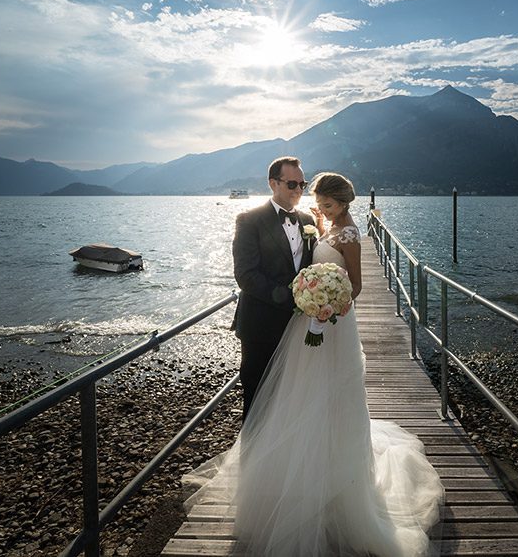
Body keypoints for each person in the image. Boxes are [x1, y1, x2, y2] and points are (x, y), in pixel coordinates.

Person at [185, 171, 444, 556]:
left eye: (325, 203)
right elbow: (268, 269)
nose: (317, 207)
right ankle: (294, 471)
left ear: (341, 204)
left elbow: (354, 285)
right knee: (299, 392)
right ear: (275, 183)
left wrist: (328, 305)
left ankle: (336, 482)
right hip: (307, 321)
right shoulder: (312, 223)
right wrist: (309, 298)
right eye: (313, 200)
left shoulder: (351, 234)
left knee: (334, 392)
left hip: (333, 323)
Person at [231, 156, 316, 419]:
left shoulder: (307, 219)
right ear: (273, 184)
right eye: (292, 184)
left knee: (292, 397)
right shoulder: (249, 220)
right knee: (257, 399)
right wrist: (291, 298)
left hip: (298, 326)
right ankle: (252, 459)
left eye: (303, 184)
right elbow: (245, 275)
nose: (299, 190)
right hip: (260, 326)